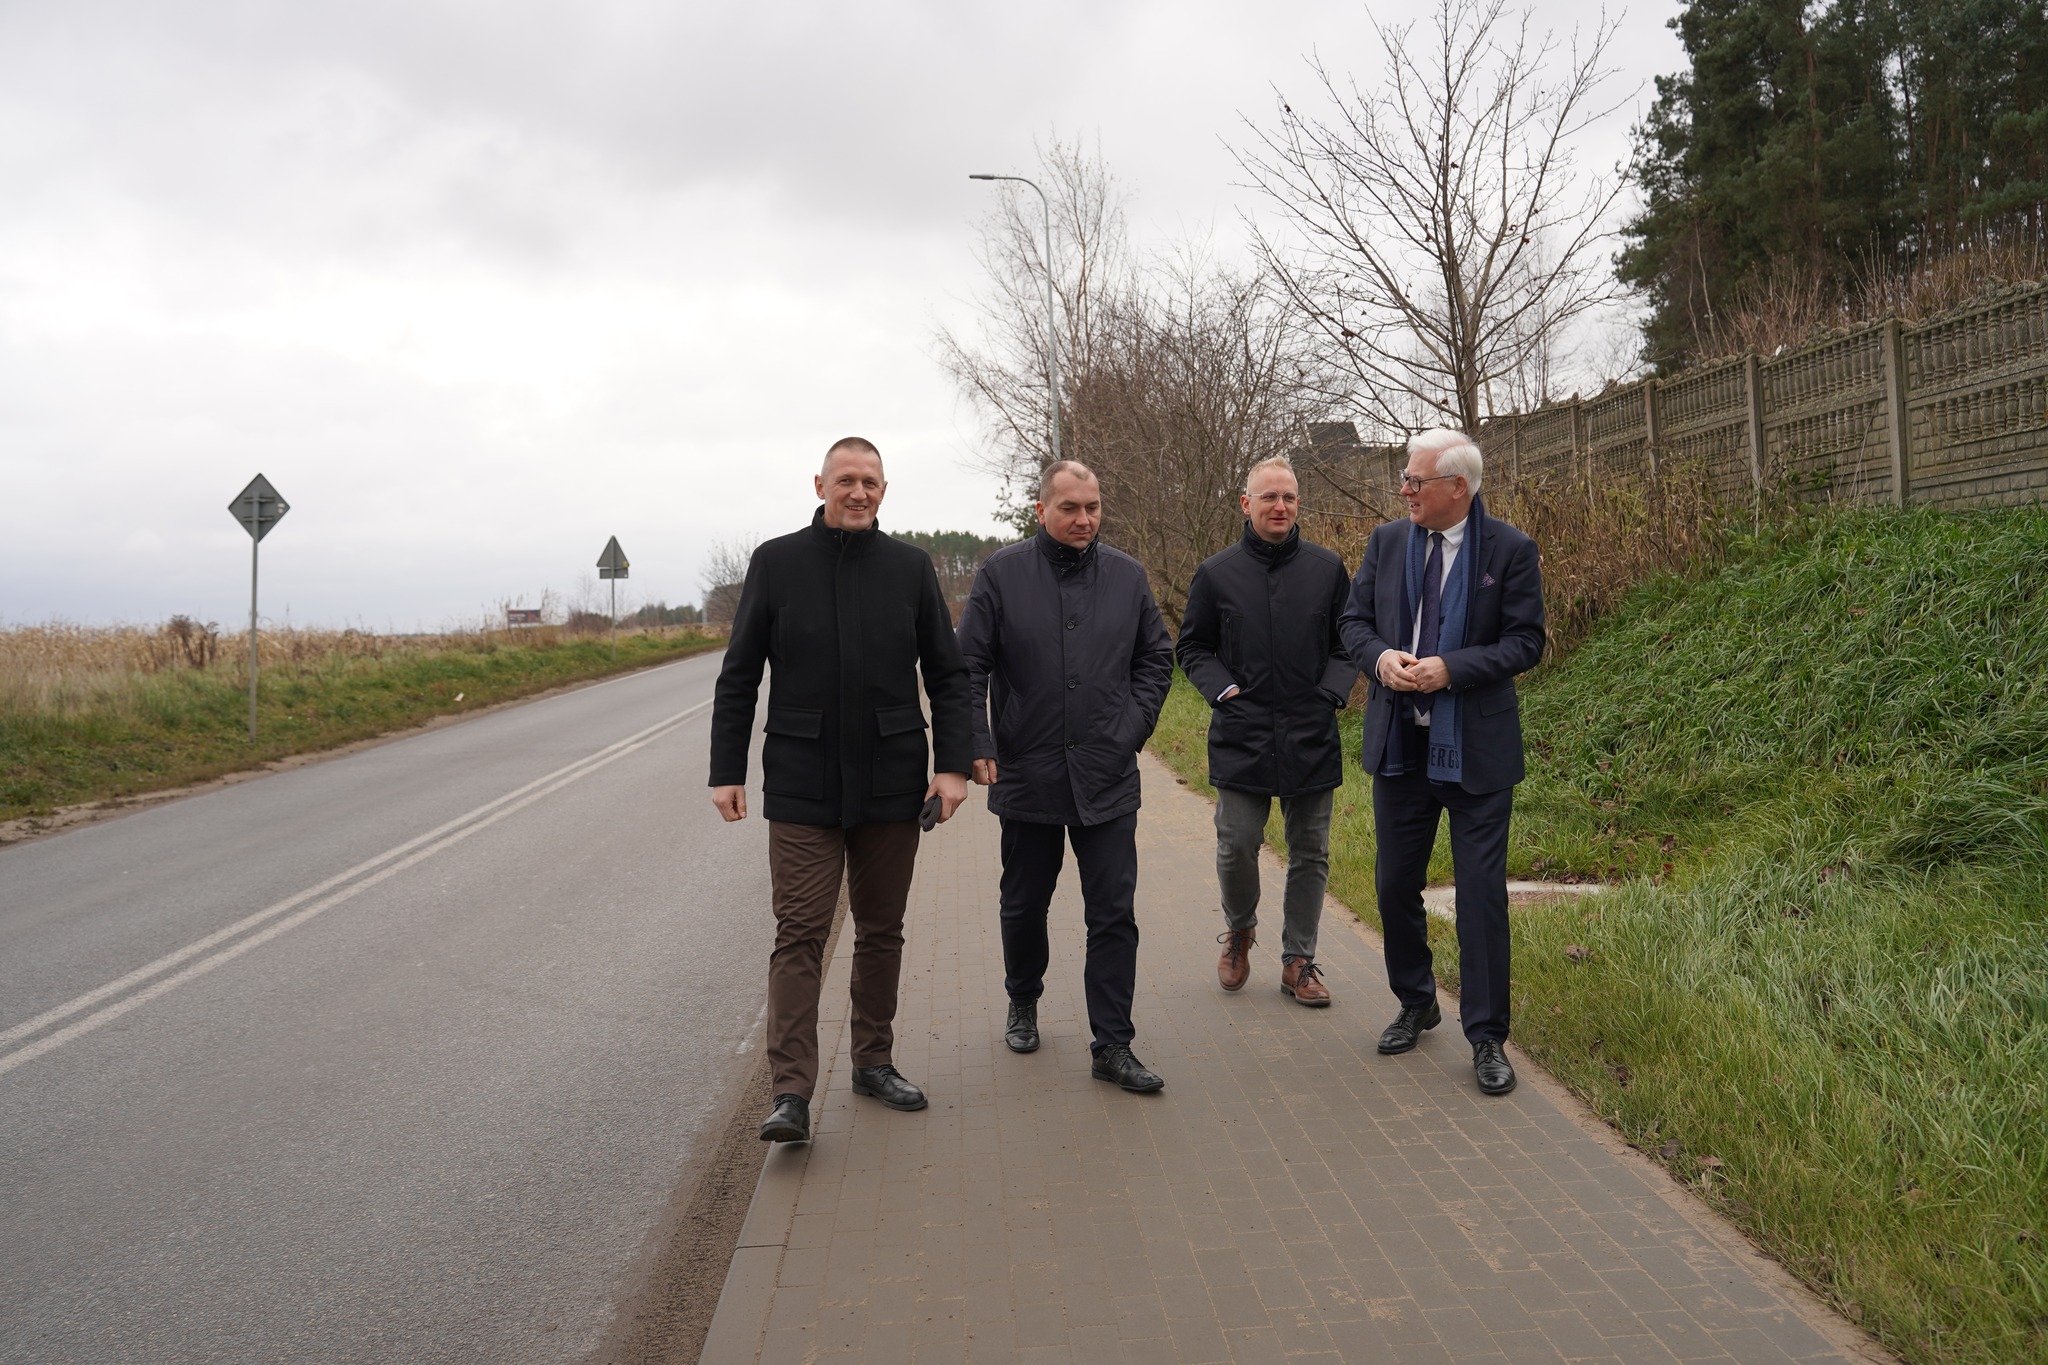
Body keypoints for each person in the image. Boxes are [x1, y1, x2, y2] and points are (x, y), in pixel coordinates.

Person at [708, 436, 972, 1144]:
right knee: (799, 933)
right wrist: (726, 769)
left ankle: (873, 1061)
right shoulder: (777, 562)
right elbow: (740, 673)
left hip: (891, 779)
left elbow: (948, 675)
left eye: (872, 482)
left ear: (886, 490)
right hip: (801, 781)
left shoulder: (911, 569)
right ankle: (791, 1090)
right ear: (819, 483)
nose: (859, 492)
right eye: (846, 480)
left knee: (881, 929)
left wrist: (953, 766)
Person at [955, 460, 1176, 1093]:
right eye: (1071, 508)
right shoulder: (1001, 574)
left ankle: (1113, 1044)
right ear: (1041, 510)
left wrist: (1129, 730)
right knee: (1024, 904)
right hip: (1028, 772)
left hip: (1107, 776)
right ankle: (1022, 998)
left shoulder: (1128, 577)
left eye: (1094, 507)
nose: (1085, 519)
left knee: (1113, 913)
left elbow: (1156, 659)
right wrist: (978, 741)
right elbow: (968, 667)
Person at [1337, 429, 1545, 1096]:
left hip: (1477, 752)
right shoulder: (1388, 542)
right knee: (1395, 882)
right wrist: (1380, 659)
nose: (1404, 490)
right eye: (1404, 477)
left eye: (1415, 481)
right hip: (1402, 742)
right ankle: (1416, 998)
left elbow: (1525, 642)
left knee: (1480, 895)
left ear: (1459, 487)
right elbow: (1353, 622)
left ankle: (1486, 1037)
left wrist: (1450, 669)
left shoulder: (1510, 551)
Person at [1176, 456, 1359, 1005]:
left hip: (1309, 732)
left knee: (1310, 851)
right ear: (1246, 503)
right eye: (1269, 497)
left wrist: (1329, 693)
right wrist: (1223, 691)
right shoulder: (1216, 573)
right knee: (1236, 843)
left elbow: (1347, 642)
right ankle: (1240, 930)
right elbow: (1191, 646)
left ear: (1298, 503)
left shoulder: (1327, 570)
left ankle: (1298, 961)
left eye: (1290, 498)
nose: (1280, 507)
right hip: (1242, 732)